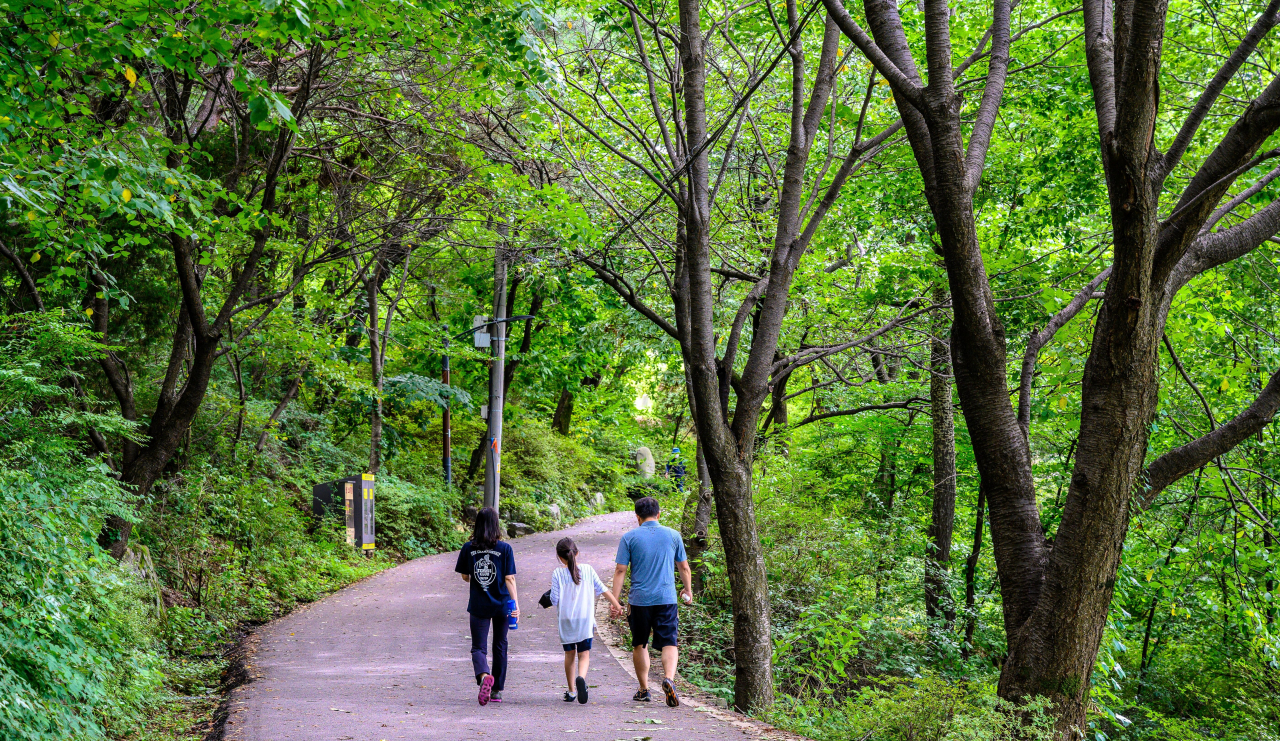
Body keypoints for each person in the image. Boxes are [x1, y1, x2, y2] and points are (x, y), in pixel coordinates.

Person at [610, 496, 693, 707]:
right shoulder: (674, 535)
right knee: (669, 642)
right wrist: (688, 590)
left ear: (637, 517)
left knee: (640, 643)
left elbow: (621, 570)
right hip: (666, 599)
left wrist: (615, 600)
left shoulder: (629, 538)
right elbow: (683, 567)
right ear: (659, 514)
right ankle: (669, 679)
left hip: (639, 600)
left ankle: (644, 689)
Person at [455, 507, 519, 706]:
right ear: (496, 524)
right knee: (500, 646)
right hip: (501, 605)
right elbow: (509, 578)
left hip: (479, 604)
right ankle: (497, 690)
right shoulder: (505, 548)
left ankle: (484, 677)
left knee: (478, 647)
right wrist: (516, 604)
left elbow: (465, 576)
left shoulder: (468, 548)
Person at [550, 537, 623, 704]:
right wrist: (617, 605)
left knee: (569, 655)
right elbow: (603, 589)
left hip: (566, 621)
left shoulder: (557, 573)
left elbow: (554, 600)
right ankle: (581, 678)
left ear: (560, 557)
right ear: (577, 553)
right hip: (585, 620)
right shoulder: (588, 570)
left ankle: (571, 691)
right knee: (584, 654)